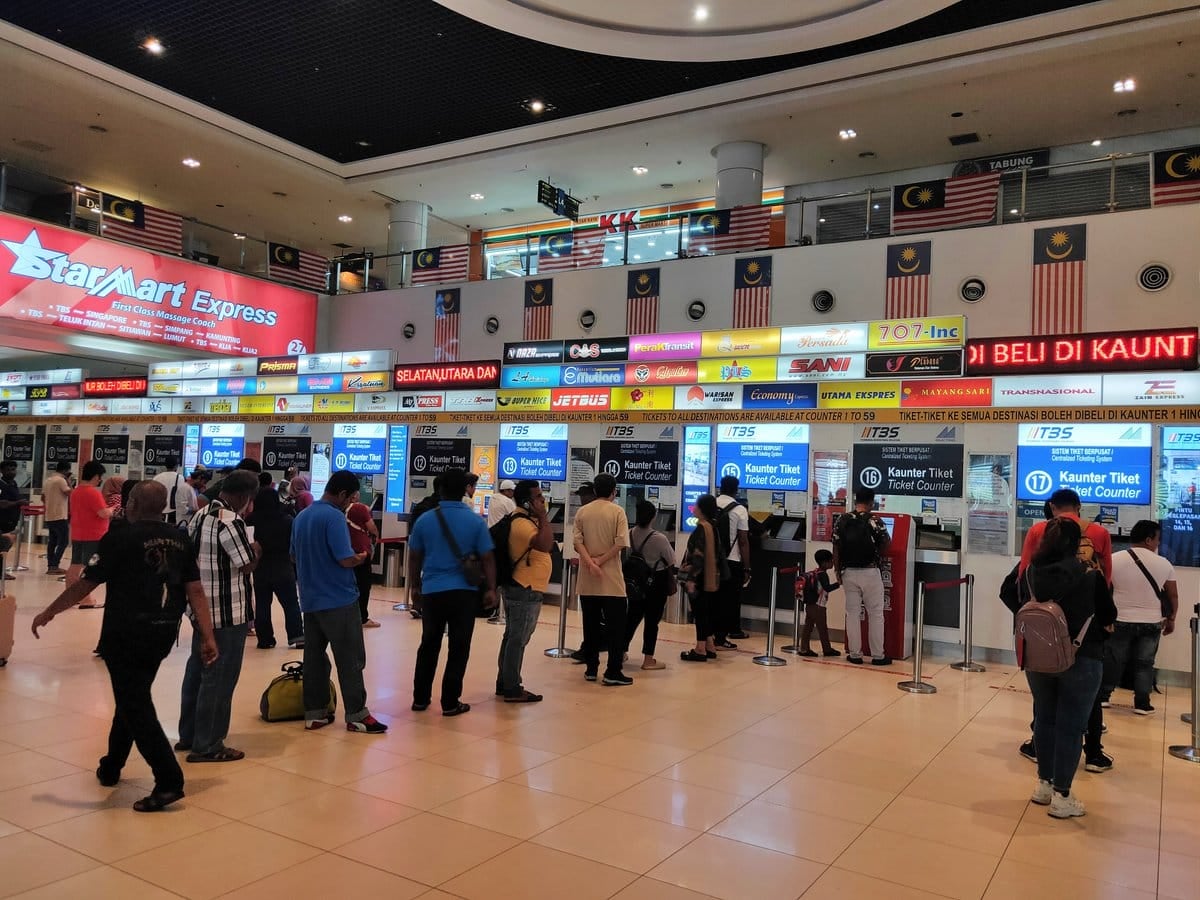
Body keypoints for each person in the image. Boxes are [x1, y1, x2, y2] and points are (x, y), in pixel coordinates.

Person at [31, 481, 219, 813]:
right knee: (131, 698)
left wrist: (50, 611)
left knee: (135, 705)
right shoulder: (180, 537)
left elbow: (86, 584)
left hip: (126, 635)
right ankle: (111, 766)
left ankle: (168, 781)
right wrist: (207, 635)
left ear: (132, 503)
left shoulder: (120, 537)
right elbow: (196, 591)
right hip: (162, 634)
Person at [1023, 517, 1117, 819]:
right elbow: (1108, 614)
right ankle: (1063, 795)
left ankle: (1044, 785)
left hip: (1039, 658)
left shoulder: (1030, 572)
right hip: (1082, 657)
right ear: (1077, 543)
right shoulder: (1089, 575)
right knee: (1071, 726)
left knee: (1044, 719)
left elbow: (1013, 598)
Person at [291, 470, 387, 733]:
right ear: (343, 494)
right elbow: (345, 559)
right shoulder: (333, 517)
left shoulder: (302, 516)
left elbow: (293, 555)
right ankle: (357, 714)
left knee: (314, 658)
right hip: (339, 599)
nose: (350, 503)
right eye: (350, 498)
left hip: (310, 600)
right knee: (350, 659)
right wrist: (362, 556)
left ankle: (315, 713)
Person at [178, 470, 260, 763]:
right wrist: (256, 550)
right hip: (227, 612)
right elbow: (246, 564)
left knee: (197, 673)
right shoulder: (231, 521)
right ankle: (209, 744)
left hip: (200, 610)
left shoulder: (201, 515)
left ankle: (188, 735)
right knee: (220, 678)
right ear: (243, 497)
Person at [409, 468, 497, 715]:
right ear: (464, 492)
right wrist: (490, 588)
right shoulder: (474, 521)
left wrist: (415, 587)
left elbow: (415, 556)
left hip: (433, 591)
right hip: (464, 593)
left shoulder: (426, 520)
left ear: (440, 489)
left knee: (429, 644)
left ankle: (420, 698)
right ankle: (449, 702)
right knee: (459, 646)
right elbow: (488, 557)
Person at [1100, 520, 1178, 715]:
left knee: (1113, 660)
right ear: (1149, 539)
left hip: (1120, 619)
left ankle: (1103, 697)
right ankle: (1142, 703)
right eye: (1157, 539)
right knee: (1144, 663)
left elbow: (1103, 589)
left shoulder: (1113, 559)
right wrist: (1172, 619)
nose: (1158, 543)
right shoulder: (1164, 563)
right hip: (1151, 622)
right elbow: (1172, 595)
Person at [572, 473, 632, 686]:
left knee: (590, 626)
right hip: (612, 582)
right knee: (616, 629)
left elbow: (577, 543)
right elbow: (621, 543)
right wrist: (601, 561)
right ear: (614, 491)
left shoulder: (582, 512)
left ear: (595, 491)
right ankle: (613, 671)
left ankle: (591, 669)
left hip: (587, 581)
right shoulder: (618, 512)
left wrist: (590, 562)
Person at [496, 479, 552, 702]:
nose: (543, 500)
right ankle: (511, 687)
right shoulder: (522, 524)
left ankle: (505, 681)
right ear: (528, 502)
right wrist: (544, 517)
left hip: (523, 586)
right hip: (524, 587)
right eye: (538, 498)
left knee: (512, 636)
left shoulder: (524, 519)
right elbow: (545, 545)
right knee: (517, 639)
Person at [832, 488, 892, 665]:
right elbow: (886, 543)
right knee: (875, 614)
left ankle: (855, 654)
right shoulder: (874, 520)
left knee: (852, 614)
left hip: (848, 572)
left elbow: (836, 547)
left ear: (856, 500)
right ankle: (878, 656)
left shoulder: (842, 520)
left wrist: (837, 571)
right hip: (870, 572)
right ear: (871, 502)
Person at [248, 487, 304, 650]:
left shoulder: (251, 520)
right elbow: (294, 544)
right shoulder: (287, 519)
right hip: (283, 566)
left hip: (261, 567)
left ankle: (265, 639)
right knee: (291, 603)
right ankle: (297, 636)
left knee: (263, 604)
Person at [625, 500, 676, 671]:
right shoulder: (659, 538)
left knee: (631, 618)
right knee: (652, 622)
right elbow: (671, 560)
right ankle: (648, 659)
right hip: (656, 583)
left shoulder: (629, 534)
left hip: (635, 583)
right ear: (653, 517)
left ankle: (620, 652)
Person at [679, 494, 724, 662]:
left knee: (700, 612)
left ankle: (700, 648)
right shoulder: (713, 526)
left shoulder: (701, 529)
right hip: (712, 576)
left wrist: (691, 579)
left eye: (696, 505)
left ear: (702, 509)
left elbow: (698, 556)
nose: (694, 508)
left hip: (700, 578)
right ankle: (709, 644)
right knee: (707, 611)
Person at [67, 460, 114, 598]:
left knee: (75, 565)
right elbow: (103, 513)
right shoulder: (93, 493)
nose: (100, 480)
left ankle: (70, 596)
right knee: (89, 569)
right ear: (95, 476)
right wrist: (112, 509)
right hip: (93, 535)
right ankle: (85, 599)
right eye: (100, 477)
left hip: (78, 533)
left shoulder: (75, 492)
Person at [714, 475, 751, 647]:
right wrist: (747, 567)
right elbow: (743, 541)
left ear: (721, 487)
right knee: (729, 600)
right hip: (732, 561)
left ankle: (708, 638)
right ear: (736, 490)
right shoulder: (740, 510)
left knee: (713, 599)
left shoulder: (711, 504)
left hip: (712, 560)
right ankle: (722, 637)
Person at [345, 488, 381, 628]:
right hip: (361, 552)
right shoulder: (360, 508)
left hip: (347, 551)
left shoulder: (340, 509)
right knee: (363, 585)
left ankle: (348, 616)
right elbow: (372, 528)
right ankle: (362, 617)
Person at [799, 549, 841, 658]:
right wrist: (838, 584)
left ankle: (804, 648)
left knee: (808, 627)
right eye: (831, 561)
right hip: (819, 606)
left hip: (810, 605)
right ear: (824, 563)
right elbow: (827, 588)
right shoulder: (823, 575)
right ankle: (827, 649)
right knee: (822, 628)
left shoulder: (816, 572)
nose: (832, 563)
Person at [42, 460, 73, 576]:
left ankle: (51, 565)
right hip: (60, 515)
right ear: (66, 471)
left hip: (50, 515)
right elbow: (70, 493)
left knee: (52, 541)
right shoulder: (61, 480)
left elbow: (43, 498)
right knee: (63, 541)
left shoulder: (48, 480)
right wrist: (69, 481)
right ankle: (55, 565)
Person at [153, 456, 195, 526]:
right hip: (173, 513)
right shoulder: (180, 478)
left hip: (159, 512)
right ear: (176, 466)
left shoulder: (157, 478)